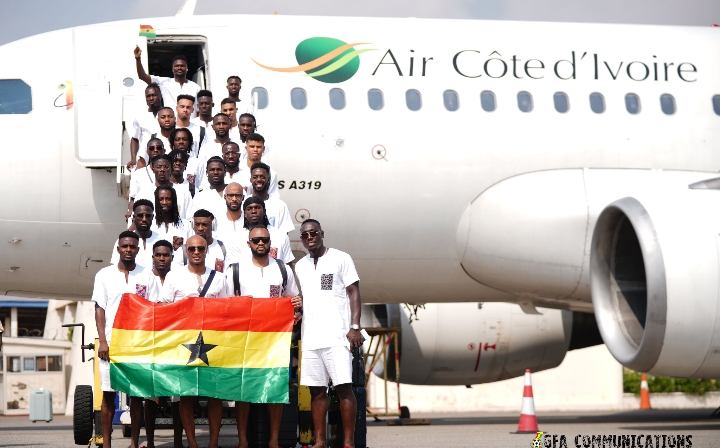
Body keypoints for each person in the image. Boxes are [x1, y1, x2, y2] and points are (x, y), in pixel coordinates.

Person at [228, 226, 302, 448]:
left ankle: (274, 441)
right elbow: (227, 304)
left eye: (265, 239)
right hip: (245, 339)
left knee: (275, 386)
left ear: (270, 243)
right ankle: (243, 441)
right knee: (243, 389)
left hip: (274, 339)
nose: (261, 243)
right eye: (256, 240)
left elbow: (293, 300)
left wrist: (296, 310)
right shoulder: (236, 270)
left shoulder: (282, 269)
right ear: (248, 243)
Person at [293, 219, 363, 448]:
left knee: (344, 389)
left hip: (337, 337)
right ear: (302, 239)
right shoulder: (300, 266)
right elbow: (307, 298)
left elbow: (353, 291)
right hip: (311, 338)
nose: (310, 237)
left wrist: (354, 327)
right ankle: (320, 442)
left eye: (314, 233)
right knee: (317, 392)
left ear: (322, 234)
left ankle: (348, 443)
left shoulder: (341, 258)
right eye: (305, 235)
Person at [163, 234, 229, 448]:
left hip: (213, 342)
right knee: (186, 394)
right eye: (192, 249)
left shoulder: (219, 278)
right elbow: (164, 308)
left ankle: (213, 443)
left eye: (201, 248)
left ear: (207, 250)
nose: (196, 252)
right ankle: (192, 443)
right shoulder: (174, 276)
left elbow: (227, 310)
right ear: (186, 251)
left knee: (215, 394)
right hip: (184, 343)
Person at [93, 231, 150, 448]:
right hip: (111, 344)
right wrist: (102, 341)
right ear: (118, 248)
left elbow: (154, 309)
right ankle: (107, 444)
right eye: (125, 246)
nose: (128, 250)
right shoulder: (104, 275)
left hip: (138, 344)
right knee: (108, 395)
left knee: (136, 396)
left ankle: (134, 443)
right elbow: (100, 309)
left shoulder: (147, 275)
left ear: (137, 249)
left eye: (132, 247)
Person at [221, 196, 294, 266]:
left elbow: (288, 264)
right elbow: (234, 266)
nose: (253, 211)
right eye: (249, 209)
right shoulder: (236, 237)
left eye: (257, 208)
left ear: (264, 211)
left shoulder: (280, 235)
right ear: (245, 213)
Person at [134, 46, 200, 114]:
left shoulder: (195, 87)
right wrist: (138, 59)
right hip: (170, 120)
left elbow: (198, 110)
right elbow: (143, 76)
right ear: (172, 69)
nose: (179, 68)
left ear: (187, 69)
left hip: (191, 120)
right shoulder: (164, 82)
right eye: (176, 66)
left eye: (182, 66)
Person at [134, 154, 193, 220]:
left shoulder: (184, 193)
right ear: (153, 169)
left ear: (171, 169)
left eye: (166, 167)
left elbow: (190, 219)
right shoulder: (143, 194)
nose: (162, 170)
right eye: (158, 167)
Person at [112, 200, 161, 268]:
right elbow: (116, 268)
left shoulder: (161, 240)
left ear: (152, 217)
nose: (144, 219)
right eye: (140, 216)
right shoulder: (123, 241)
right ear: (134, 217)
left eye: (148, 216)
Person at [247, 163, 294, 233]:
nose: (259, 179)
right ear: (250, 180)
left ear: (268, 179)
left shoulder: (280, 205)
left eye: (262, 177)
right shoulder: (244, 203)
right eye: (255, 177)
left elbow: (284, 234)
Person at [127, 138, 166, 220]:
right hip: (146, 216)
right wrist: (130, 211)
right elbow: (132, 198)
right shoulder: (138, 174)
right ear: (147, 152)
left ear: (164, 150)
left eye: (158, 147)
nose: (155, 150)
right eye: (151, 148)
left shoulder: (169, 172)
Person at [148, 185, 187, 263]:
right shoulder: (150, 224)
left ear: (173, 200)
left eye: (168, 199)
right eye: (161, 199)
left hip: (179, 268)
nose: (164, 202)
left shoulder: (185, 225)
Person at [128, 83, 163, 170]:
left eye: (154, 95)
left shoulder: (168, 114)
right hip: (144, 158)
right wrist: (133, 158)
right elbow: (135, 138)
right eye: (148, 96)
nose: (151, 98)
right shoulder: (140, 116)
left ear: (161, 96)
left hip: (164, 157)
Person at [237, 134, 278, 198]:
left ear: (263, 149)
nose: (255, 149)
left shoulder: (271, 173)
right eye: (252, 146)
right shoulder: (236, 169)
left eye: (258, 147)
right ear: (246, 148)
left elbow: (273, 197)